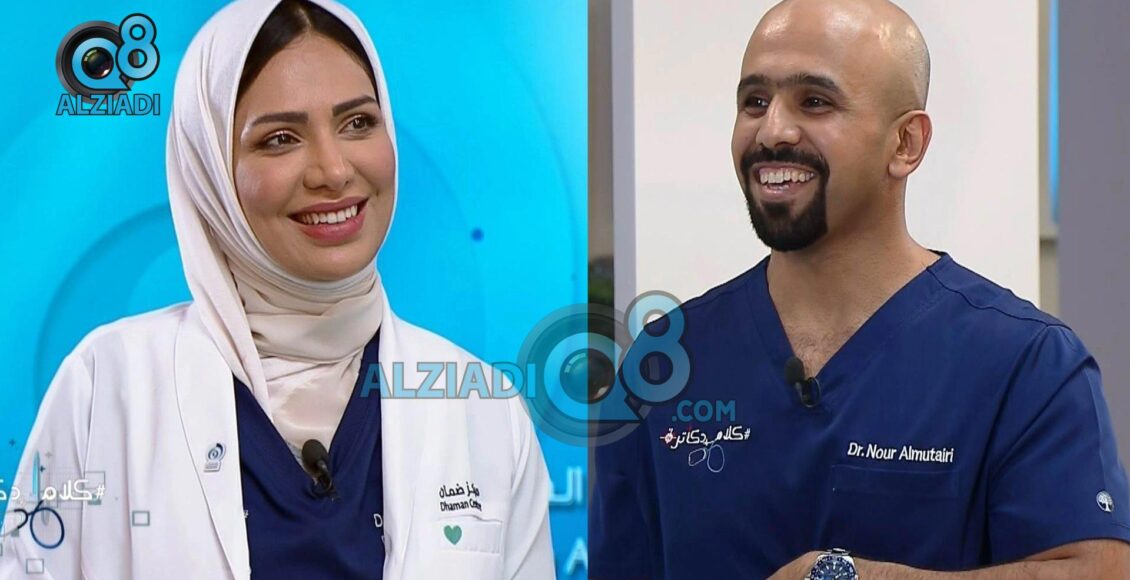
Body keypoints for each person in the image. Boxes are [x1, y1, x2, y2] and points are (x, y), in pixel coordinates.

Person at [0, 0, 554, 578]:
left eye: (358, 123)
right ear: (211, 170)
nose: (333, 171)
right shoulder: (106, 385)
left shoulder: (481, 406)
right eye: (281, 139)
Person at [590, 0, 1130, 578]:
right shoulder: (662, 363)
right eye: (755, 102)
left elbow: (1096, 570)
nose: (772, 131)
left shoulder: (1025, 363)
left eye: (814, 102)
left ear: (906, 144)